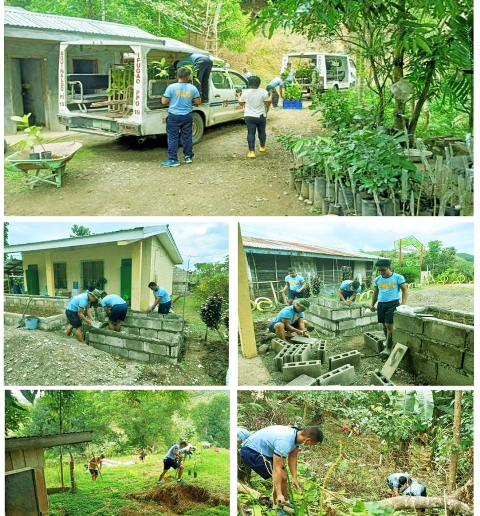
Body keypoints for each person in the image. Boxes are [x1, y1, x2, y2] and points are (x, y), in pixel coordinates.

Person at [241, 425, 323, 515]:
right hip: (251, 452)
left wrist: (294, 477)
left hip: (264, 451)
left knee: (284, 476)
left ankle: (285, 502)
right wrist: (279, 494)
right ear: (308, 440)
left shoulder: (297, 434)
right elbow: (276, 469)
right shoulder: (284, 442)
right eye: (312, 445)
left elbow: (292, 456)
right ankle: (278, 506)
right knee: (282, 475)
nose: (311, 446)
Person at [160, 67, 201, 167]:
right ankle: (188, 157)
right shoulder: (193, 88)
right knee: (187, 137)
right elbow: (198, 102)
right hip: (187, 116)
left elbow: (164, 102)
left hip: (174, 116)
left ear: (177, 76)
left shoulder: (171, 87)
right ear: (188, 76)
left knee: (173, 138)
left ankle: (173, 160)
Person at [370, 259, 408, 357]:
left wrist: (403, 304)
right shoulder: (378, 279)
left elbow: (404, 290)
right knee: (383, 325)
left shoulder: (398, 277)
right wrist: (372, 304)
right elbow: (375, 293)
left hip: (393, 303)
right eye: (379, 270)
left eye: (383, 270)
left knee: (389, 325)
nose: (381, 272)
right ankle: (388, 342)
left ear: (389, 268)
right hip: (381, 304)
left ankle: (388, 348)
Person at [238, 76, 271, 158]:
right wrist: (272, 96)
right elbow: (268, 104)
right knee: (262, 131)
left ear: (249, 83)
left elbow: (241, 103)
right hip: (261, 115)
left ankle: (252, 152)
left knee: (251, 133)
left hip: (249, 116)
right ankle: (262, 147)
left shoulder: (245, 92)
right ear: (259, 83)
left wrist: (238, 95)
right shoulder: (263, 92)